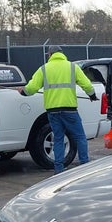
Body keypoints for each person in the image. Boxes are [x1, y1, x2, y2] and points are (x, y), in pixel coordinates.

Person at [18, 45, 98, 174]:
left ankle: (59, 168)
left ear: (50, 55)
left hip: (53, 111)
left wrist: (23, 92)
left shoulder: (44, 69)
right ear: (62, 54)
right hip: (70, 110)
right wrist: (92, 95)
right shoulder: (72, 67)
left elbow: (31, 88)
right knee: (80, 137)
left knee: (58, 138)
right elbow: (86, 84)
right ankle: (84, 165)